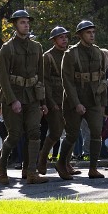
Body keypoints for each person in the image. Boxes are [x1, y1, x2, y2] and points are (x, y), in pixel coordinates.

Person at [0, 9, 48, 185]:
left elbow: (40, 76)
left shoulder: (37, 47)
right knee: (15, 135)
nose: (26, 25)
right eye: (22, 22)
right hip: (14, 96)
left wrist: (42, 101)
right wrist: (12, 100)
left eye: (27, 22)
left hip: (32, 97)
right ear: (15, 25)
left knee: (34, 132)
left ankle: (31, 172)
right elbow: (3, 77)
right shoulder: (7, 48)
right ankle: (1, 167)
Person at [58, 20, 108, 179]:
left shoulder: (99, 53)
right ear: (80, 35)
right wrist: (76, 103)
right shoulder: (71, 54)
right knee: (72, 135)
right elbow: (67, 82)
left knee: (96, 133)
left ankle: (93, 168)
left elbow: (103, 80)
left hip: (94, 99)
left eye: (93, 32)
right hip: (76, 99)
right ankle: (61, 164)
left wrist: (102, 104)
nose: (92, 35)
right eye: (88, 32)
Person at [38, 26, 72, 176]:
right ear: (54, 40)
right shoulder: (48, 56)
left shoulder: (71, 54)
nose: (64, 39)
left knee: (72, 131)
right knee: (56, 131)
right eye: (61, 37)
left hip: (69, 99)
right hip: (55, 100)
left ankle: (66, 163)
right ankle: (42, 159)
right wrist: (50, 102)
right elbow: (45, 81)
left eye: (65, 37)